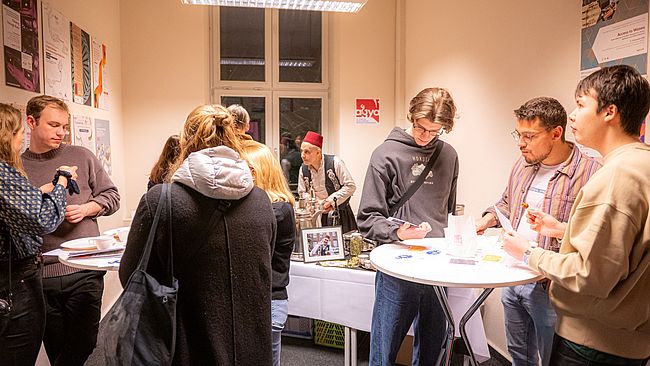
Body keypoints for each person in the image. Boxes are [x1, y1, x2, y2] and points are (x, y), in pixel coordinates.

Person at [503, 65, 650, 365]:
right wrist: (563, 230)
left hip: (594, 345)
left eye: (581, 104)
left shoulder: (613, 177)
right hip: (629, 339)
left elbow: (589, 275)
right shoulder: (641, 164)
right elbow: (625, 248)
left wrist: (528, 252)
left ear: (610, 112)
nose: (571, 115)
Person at [120, 104, 276, 365]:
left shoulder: (160, 201)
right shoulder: (261, 201)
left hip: (183, 346)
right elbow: (263, 264)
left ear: (185, 142)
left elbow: (131, 275)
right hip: (252, 348)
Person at [474, 97, 601, 366]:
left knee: (552, 356)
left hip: (550, 285)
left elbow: (594, 235)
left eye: (529, 136)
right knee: (519, 355)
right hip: (513, 276)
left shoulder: (591, 172)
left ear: (556, 133)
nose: (521, 143)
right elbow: (507, 203)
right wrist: (488, 219)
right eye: (519, 134)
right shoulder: (523, 164)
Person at [357, 87, 459, 365]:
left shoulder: (449, 155)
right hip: (398, 267)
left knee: (432, 351)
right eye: (420, 127)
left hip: (437, 267)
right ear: (411, 116)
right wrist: (397, 232)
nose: (425, 136)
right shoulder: (385, 154)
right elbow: (367, 218)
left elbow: (447, 212)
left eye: (434, 131)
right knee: (384, 351)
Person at [21, 95, 120, 366]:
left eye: (64, 126)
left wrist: (87, 209)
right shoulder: (18, 168)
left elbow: (112, 196)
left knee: (85, 342)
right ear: (31, 122)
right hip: (42, 274)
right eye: (54, 125)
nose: (61, 133)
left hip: (84, 269)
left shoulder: (82, 156)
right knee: (57, 348)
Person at [0, 103, 75, 366]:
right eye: (19, 131)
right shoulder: (3, 172)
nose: (21, 138)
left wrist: (38, 194)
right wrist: (61, 184)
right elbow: (44, 219)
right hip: (14, 282)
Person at [241, 139, 295, 366]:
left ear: (254, 173)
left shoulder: (277, 210)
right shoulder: (279, 206)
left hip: (267, 303)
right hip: (268, 303)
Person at [298, 131, 358, 233]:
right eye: (301, 151)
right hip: (317, 217)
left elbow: (350, 186)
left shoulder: (335, 162)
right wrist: (314, 203)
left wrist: (330, 201)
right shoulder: (303, 169)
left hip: (339, 214)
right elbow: (302, 192)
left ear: (318, 152)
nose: (302, 155)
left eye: (307, 152)